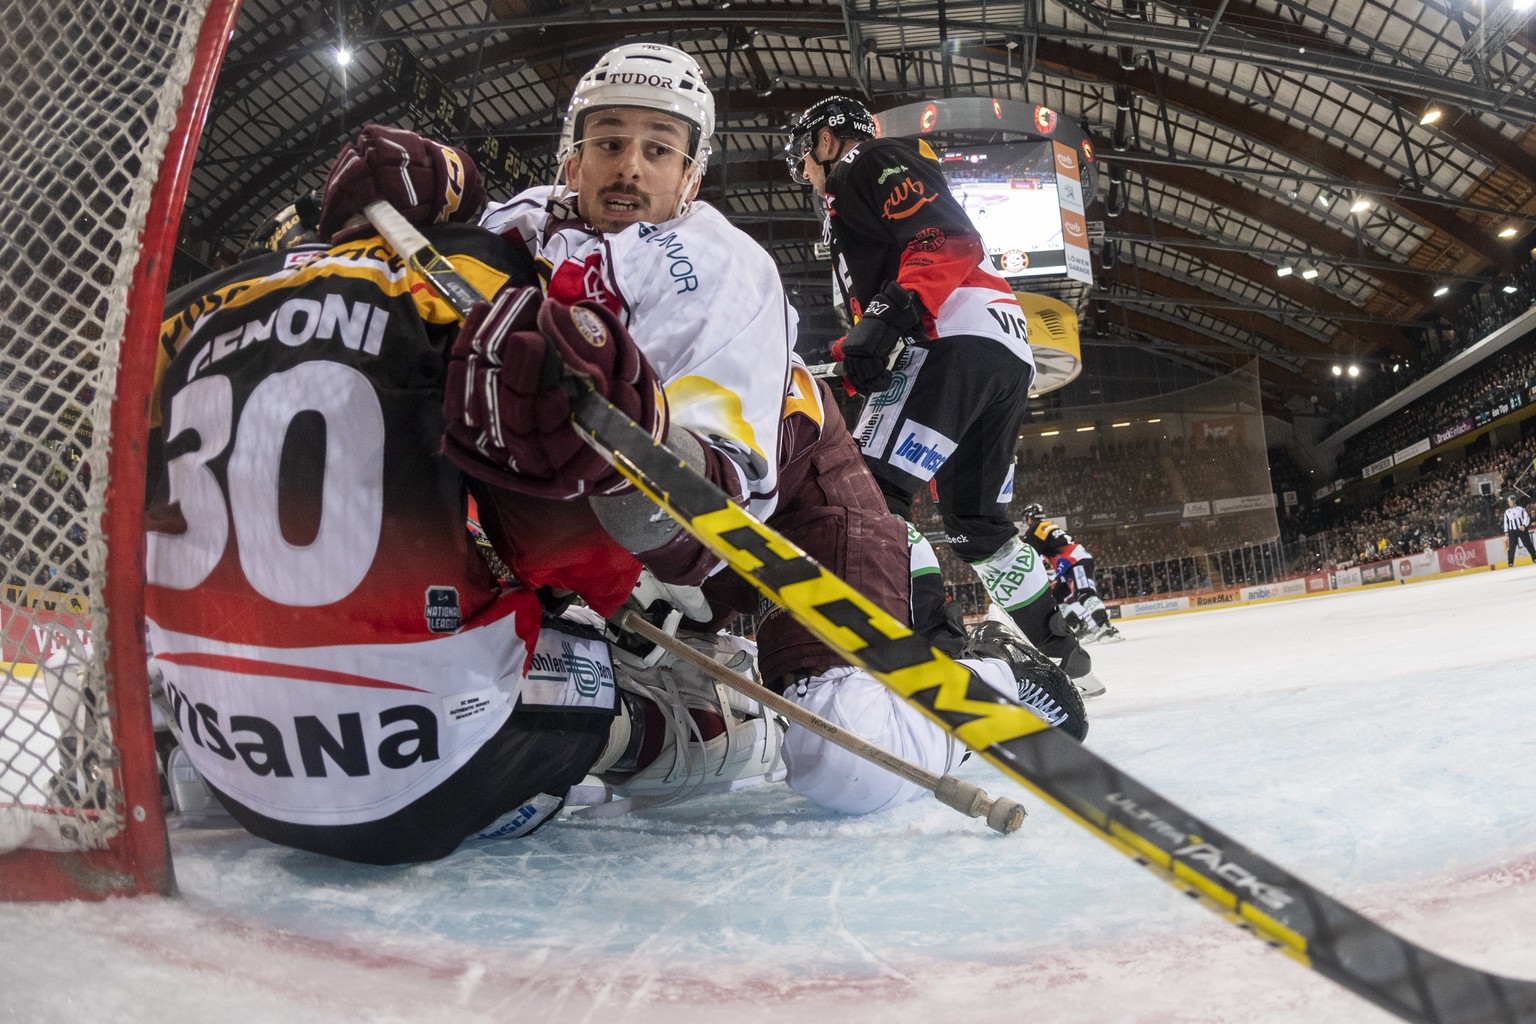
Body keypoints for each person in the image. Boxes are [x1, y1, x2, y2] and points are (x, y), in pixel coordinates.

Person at [317, 43, 1086, 820]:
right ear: (572, 154)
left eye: (659, 148)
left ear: (691, 173)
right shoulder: (524, 223)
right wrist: (438, 185)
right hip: (621, 554)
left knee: (847, 764)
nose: (629, 168)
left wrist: (627, 446)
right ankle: (700, 688)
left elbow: (711, 522)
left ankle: (987, 676)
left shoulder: (723, 272)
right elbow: (423, 269)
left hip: (794, 515)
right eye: (609, 142)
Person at [144, 135, 780, 866]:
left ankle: (182, 742)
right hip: (422, 774)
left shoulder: (184, 311)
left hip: (233, 773)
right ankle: (673, 733)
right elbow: (553, 539)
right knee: (593, 656)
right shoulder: (473, 274)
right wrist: (621, 597)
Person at [785, 95, 1106, 699]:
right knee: (975, 523)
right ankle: (1064, 653)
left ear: (827, 141)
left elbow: (949, 240)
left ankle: (940, 651)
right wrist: (856, 350)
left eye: (804, 154)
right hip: (1001, 348)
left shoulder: (870, 160)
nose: (803, 171)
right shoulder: (859, 190)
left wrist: (889, 315)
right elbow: (886, 313)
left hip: (949, 334)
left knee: (874, 494)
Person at [1023, 504, 1121, 643]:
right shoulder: (1047, 525)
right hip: (1066, 565)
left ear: (1029, 518)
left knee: (1084, 594)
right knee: (1055, 597)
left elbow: (1029, 555)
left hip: (1074, 561)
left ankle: (1106, 628)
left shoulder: (1035, 529)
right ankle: (1082, 630)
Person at [1502, 494, 1534, 567]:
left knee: (1528, 544)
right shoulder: (1507, 512)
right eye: (1509, 502)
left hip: (1521, 529)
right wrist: (1506, 531)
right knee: (1512, 547)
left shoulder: (1521, 509)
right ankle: (1510, 562)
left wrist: (1524, 525)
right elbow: (1506, 522)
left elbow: (1526, 518)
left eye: (1511, 501)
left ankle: (1534, 558)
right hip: (1512, 531)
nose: (1509, 503)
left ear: (1514, 501)